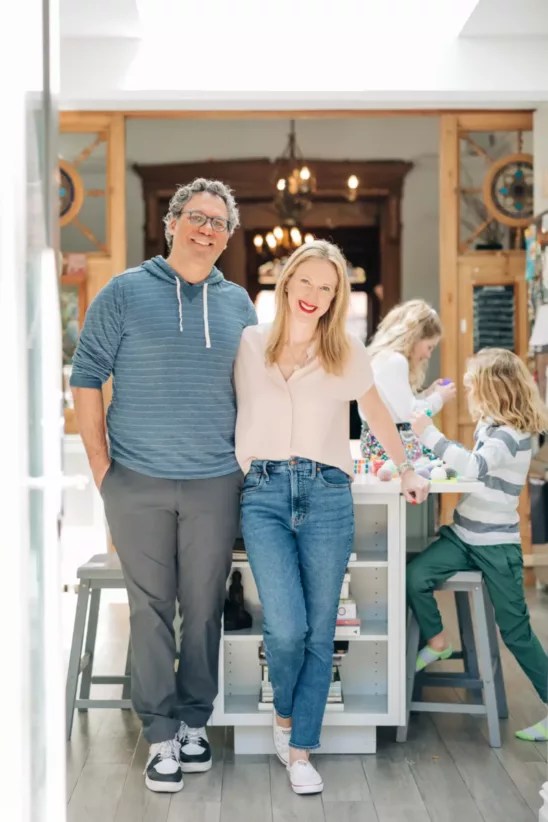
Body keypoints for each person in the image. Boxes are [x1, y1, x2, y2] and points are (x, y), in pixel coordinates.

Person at [70, 178, 257, 793]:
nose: (208, 231)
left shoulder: (239, 305)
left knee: (204, 610)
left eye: (220, 224)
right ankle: (160, 735)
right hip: (136, 481)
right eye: (199, 218)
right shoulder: (123, 293)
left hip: (214, 483)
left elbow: (256, 392)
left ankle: (196, 722)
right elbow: (88, 378)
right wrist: (103, 473)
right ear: (172, 223)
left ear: (228, 238)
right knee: (149, 611)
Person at [234, 240, 430, 795]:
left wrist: (407, 469)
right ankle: (284, 718)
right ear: (287, 282)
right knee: (288, 628)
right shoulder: (248, 344)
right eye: (307, 283)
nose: (315, 296)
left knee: (321, 631)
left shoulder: (345, 349)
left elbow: (376, 411)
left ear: (336, 296)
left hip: (326, 495)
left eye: (328, 288)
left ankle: (301, 749)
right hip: (264, 493)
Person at [409, 348, 548, 741]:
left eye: (473, 388)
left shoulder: (511, 435)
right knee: (415, 575)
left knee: (516, 630)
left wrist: (429, 435)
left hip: (495, 546)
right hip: (464, 533)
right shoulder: (490, 424)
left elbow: (473, 467)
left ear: (493, 390)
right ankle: (437, 641)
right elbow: (472, 467)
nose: (469, 394)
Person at [360, 299, 457, 463]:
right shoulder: (395, 361)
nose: (428, 355)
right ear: (416, 338)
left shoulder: (385, 358)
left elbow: (397, 408)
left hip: (376, 444)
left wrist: (427, 393)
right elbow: (410, 414)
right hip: (390, 446)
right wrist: (439, 398)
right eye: (429, 347)